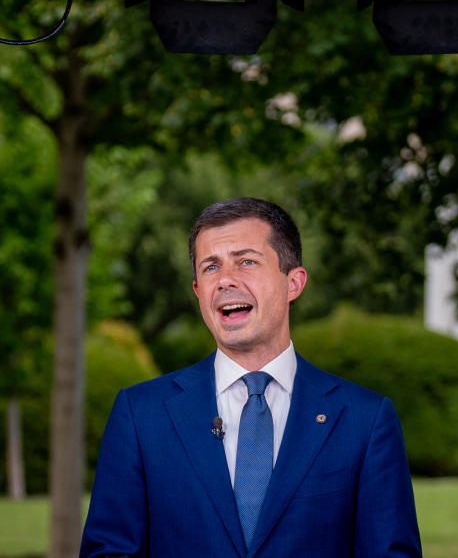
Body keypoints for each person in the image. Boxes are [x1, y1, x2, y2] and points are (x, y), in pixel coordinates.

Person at [80, 197, 422, 557]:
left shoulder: (365, 421)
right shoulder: (141, 415)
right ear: (198, 291)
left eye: (246, 261)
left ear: (294, 283)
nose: (226, 279)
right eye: (210, 267)